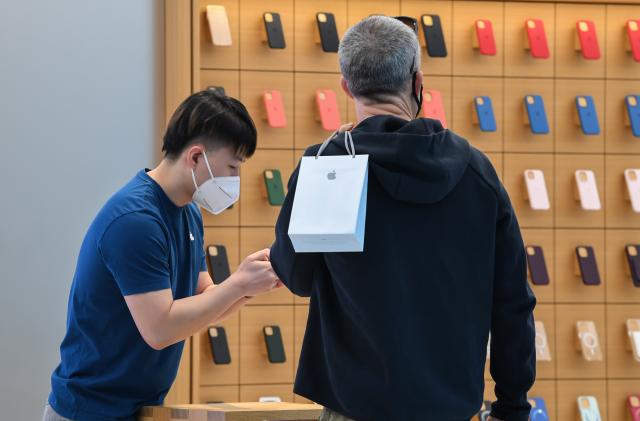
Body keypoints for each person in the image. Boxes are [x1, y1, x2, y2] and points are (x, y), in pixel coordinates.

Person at [270, 16, 536, 421]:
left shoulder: (329, 165)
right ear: (417, 82)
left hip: (355, 407)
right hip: (450, 408)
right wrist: (512, 405)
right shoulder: (476, 173)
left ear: (346, 85)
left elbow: (297, 276)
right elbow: (512, 301)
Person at [45, 91, 281, 421]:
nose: (235, 180)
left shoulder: (188, 212)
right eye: (232, 166)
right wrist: (239, 282)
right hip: (90, 410)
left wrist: (250, 286)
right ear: (196, 157)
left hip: (136, 408)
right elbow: (159, 329)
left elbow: (205, 301)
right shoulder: (136, 221)